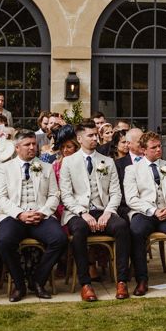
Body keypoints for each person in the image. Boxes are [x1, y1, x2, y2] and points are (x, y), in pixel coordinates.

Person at [59, 120, 132, 302]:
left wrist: (109, 212)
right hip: (78, 212)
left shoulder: (107, 161)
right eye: (90, 135)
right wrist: (83, 213)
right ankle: (86, 283)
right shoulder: (68, 162)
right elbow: (66, 196)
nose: (95, 139)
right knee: (79, 230)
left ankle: (121, 281)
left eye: (95, 135)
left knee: (122, 227)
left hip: (103, 209)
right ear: (79, 138)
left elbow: (116, 192)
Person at [0, 129, 66, 301]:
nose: (32, 147)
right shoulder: (4, 168)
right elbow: (0, 198)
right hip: (13, 216)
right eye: (27, 144)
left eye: (34, 144)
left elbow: (54, 195)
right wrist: (20, 214)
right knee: (4, 240)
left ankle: (38, 281)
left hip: (41, 215)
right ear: (17, 147)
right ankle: (19, 285)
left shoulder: (47, 167)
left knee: (59, 239)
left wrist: (41, 213)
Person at [123, 130, 166, 295]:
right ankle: (142, 280)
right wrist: (153, 211)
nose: (158, 150)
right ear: (143, 150)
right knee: (136, 232)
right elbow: (131, 199)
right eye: (153, 147)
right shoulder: (132, 170)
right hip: (144, 213)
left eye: (159, 146)